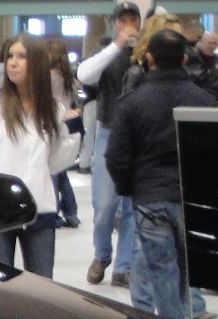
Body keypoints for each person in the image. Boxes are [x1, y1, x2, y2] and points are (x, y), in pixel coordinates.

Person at [106, 29, 213, 319]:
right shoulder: (205, 101)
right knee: (186, 271)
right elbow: (215, 156)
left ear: (149, 58)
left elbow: (116, 156)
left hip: (150, 197)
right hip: (191, 200)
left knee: (161, 270)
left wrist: (131, 188)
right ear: (184, 58)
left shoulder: (131, 103)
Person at [0, 35, 77, 275]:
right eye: (10, 57)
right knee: (0, 290)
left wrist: (74, 133)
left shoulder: (53, 108)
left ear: (36, 62)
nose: (13, 63)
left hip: (40, 210)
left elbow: (55, 163)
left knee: (42, 288)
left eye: (22, 57)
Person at [78, 0, 143, 288]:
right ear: (114, 23)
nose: (128, 25)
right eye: (123, 20)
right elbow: (85, 75)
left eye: (133, 19)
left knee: (131, 207)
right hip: (109, 132)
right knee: (104, 205)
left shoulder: (145, 53)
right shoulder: (106, 50)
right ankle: (102, 254)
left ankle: (124, 266)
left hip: (139, 137)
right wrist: (117, 45)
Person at [42, 39, 82, 227]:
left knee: (53, 170)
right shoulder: (68, 77)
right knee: (62, 170)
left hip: (52, 122)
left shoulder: (46, 77)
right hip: (69, 122)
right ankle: (71, 212)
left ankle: (54, 212)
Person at [189, 30, 218, 103]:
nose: (213, 46)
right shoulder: (193, 61)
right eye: (209, 43)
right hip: (200, 101)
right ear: (201, 43)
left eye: (215, 43)